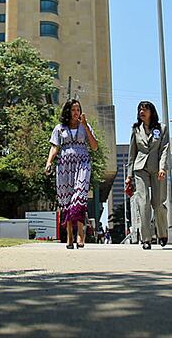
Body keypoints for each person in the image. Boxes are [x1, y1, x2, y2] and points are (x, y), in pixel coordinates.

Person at [45, 99, 98, 249]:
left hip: (83, 163)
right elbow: (55, 147)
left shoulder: (85, 126)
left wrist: (86, 125)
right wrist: (49, 162)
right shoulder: (59, 128)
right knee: (67, 200)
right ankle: (69, 235)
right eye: (73, 110)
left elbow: (94, 147)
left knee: (79, 196)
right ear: (67, 111)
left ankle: (81, 234)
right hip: (64, 166)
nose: (76, 113)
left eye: (78, 109)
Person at [124, 101, 170, 250]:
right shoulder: (136, 129)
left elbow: (164, 149)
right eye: (140, 110)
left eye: (145, 109)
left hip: (157, 169)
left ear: (151, 112)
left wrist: (162, 167)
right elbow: (132, 153)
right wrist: (129, 175)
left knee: (158, 203)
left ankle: (162, 233)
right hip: (140, 168)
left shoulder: (161, 129)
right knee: (143, 202)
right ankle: (146, 239)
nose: (141, 112)